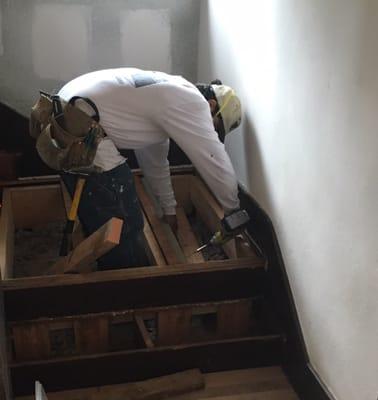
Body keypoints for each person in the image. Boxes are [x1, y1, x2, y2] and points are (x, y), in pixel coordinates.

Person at [32, 68, 243, 270]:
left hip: (65, 116)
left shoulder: (171, 96)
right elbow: (213, 157)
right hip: (81, 126)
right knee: (124, 222)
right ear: (212, 104)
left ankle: (107, 259)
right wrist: (234, 210)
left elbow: (155, 161)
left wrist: (168, 209)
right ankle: (126, 284)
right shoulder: (193, 104)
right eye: (214, 126)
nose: (209, 130)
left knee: (102, 210)